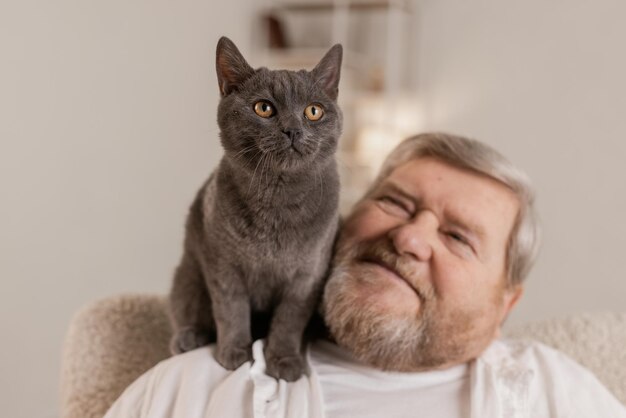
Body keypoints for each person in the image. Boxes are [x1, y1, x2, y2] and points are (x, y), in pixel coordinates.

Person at [104, 133, 626, 418]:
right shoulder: (192, 390)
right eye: (394, 203)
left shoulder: (555, 393)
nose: (409, 238)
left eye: (458, 237)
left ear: (503, 308)